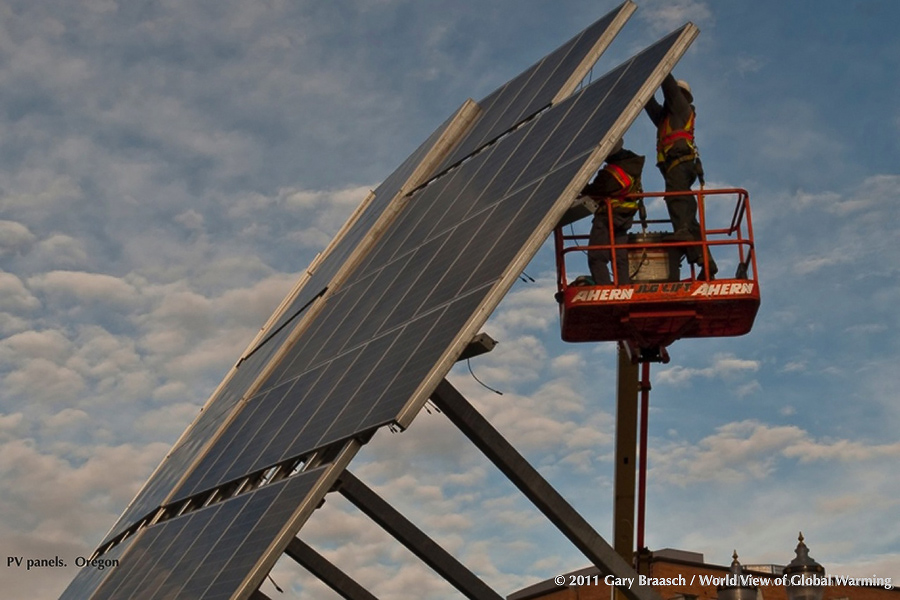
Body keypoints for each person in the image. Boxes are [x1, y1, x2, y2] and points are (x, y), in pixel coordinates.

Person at [645, 74, 717, 280]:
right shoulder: (665, 117)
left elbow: (668, 87)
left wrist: (660, 66)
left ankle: (686, 235)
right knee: (683, 213)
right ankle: (707, 262)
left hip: (680, 163)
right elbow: (649, 104)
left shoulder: (681, 107)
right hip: (673, 167)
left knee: (678, 202)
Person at [582, 139, 645, 285]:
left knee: (597, 256)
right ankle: (624, 288)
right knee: (619, 256)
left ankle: (604, 287)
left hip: (608, 217)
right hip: (625, 217)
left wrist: (580, 187)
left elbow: (596, 190)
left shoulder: (612, 173)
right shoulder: (632, 166)